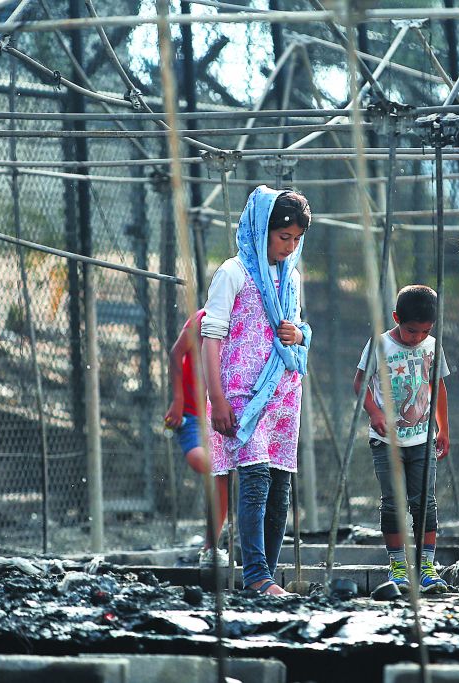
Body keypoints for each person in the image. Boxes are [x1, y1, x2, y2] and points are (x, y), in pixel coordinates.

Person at [201, 186, 312, 597]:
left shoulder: (291, 277)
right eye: (284, 237)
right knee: (254, 480)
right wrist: (217, 399)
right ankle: (256, 574)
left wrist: (297, 333)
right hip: (243, 395)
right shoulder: (233, 272)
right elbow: (210, 336)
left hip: (283, 393)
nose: (290, 246)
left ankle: (267, 574)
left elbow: (298, 333)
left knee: (280, 484)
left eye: (297, 239)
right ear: (262, 228)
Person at [353, 285, 451, 595]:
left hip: (422, 439)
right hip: (387, 441)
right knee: (394, 503)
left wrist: (442, 428)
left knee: (425, 503)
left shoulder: (432, 346)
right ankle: (397, 567)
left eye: (425, 331)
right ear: (397, 318)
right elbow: (360, 383)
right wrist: (375, 413)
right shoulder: (380, 346)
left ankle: (426, 567)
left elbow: (439, 388)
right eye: (411, 331)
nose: (418, 338)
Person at [164, 309, 230, 567]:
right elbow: (175, 354)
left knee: (222, 474)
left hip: (220, 414)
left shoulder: (246, 320)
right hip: (191, 414)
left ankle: (211, 546)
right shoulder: (202, 319)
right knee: (204, 463)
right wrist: (178, 400)